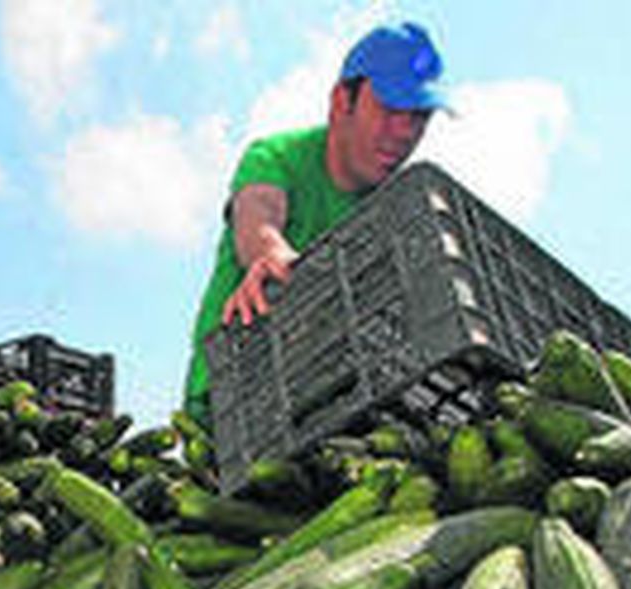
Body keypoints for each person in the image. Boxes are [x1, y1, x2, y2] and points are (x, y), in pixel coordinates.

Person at [185, 21, 448, 428]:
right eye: (391, 109)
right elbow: (257, 212)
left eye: (420, 116)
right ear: (342, 101)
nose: (404, 132)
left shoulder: (397, 209)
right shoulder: (277, 157)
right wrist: (270, 253)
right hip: (230, 401)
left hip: (325, 407)